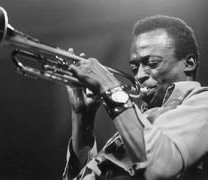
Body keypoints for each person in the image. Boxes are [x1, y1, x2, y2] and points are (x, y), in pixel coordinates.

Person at [62, 15, 208, 180]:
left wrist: (110, 88)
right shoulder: (138, 121)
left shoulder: (203, 102)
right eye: (134, 68)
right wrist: (82, 118)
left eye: (152, 63)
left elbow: (159, 167)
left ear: (189, 63)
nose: (139, 76)